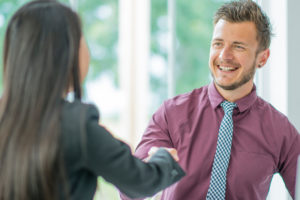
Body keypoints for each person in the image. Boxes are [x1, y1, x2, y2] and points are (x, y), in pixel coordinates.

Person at [0, 1, 185, 200]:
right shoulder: (76, 126)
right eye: (82, 40)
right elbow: (140, 182)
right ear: (65, 54)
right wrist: (164, 159)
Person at [120, 0, 300, 200]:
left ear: (262, 58)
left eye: (238, 47)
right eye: (218, 44)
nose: (224, 55)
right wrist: (148, 172)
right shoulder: (171, 114)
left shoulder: (281, 131)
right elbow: (129, 190)